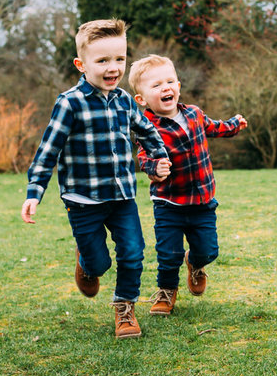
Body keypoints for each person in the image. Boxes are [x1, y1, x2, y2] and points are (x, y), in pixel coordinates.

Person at [20, 19, 169, 339]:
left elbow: (147, 131)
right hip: (83, 200)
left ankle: (125, 310)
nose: (113, 67)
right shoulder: (69, 103)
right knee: (99, 264)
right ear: (81, 64)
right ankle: (87, 262)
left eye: (119, 59)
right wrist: (35, 191)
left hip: (122, 196)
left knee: (133, 252)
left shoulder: (125, 101)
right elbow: (49, 150)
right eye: (102, 61)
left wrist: (157, 161)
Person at [127, 54, 247, 316]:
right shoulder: (146, 127)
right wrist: (153, 168)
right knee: (167, 254)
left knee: (209, 250)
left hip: (203, 202)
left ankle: (195, 262)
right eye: (156, 85)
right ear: (142, 99)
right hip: (169, 204)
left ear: (178, 86)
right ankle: (166, 291)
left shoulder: (194, 113)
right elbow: (144, 157)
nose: (165, 88)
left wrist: (234, 125)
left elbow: (214, 127)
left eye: (169, 81)